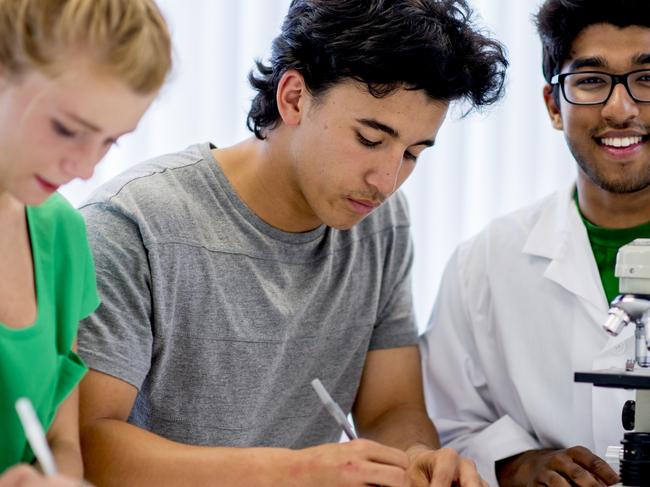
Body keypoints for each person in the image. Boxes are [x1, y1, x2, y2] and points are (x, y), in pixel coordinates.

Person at [77, 0, 508, 485]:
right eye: (370, 139)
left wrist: (414, 460)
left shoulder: (380, 226)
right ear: (295, 97)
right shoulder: (133, 223)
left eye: (412, 153)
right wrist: (296, 470)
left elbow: (391, 408)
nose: (386, 180)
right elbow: (91, 445)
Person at [420, 0, 650, 485]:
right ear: (552, 106)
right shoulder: (484, 263)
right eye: (591, 80)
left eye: (647, 78)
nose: (621, 108)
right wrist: (515, 463)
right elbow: (444, 424)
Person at [0, 0, 172, 484]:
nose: (85, 169)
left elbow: (60, 442)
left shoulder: (60, 231)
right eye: (66, 130)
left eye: (110, 141)